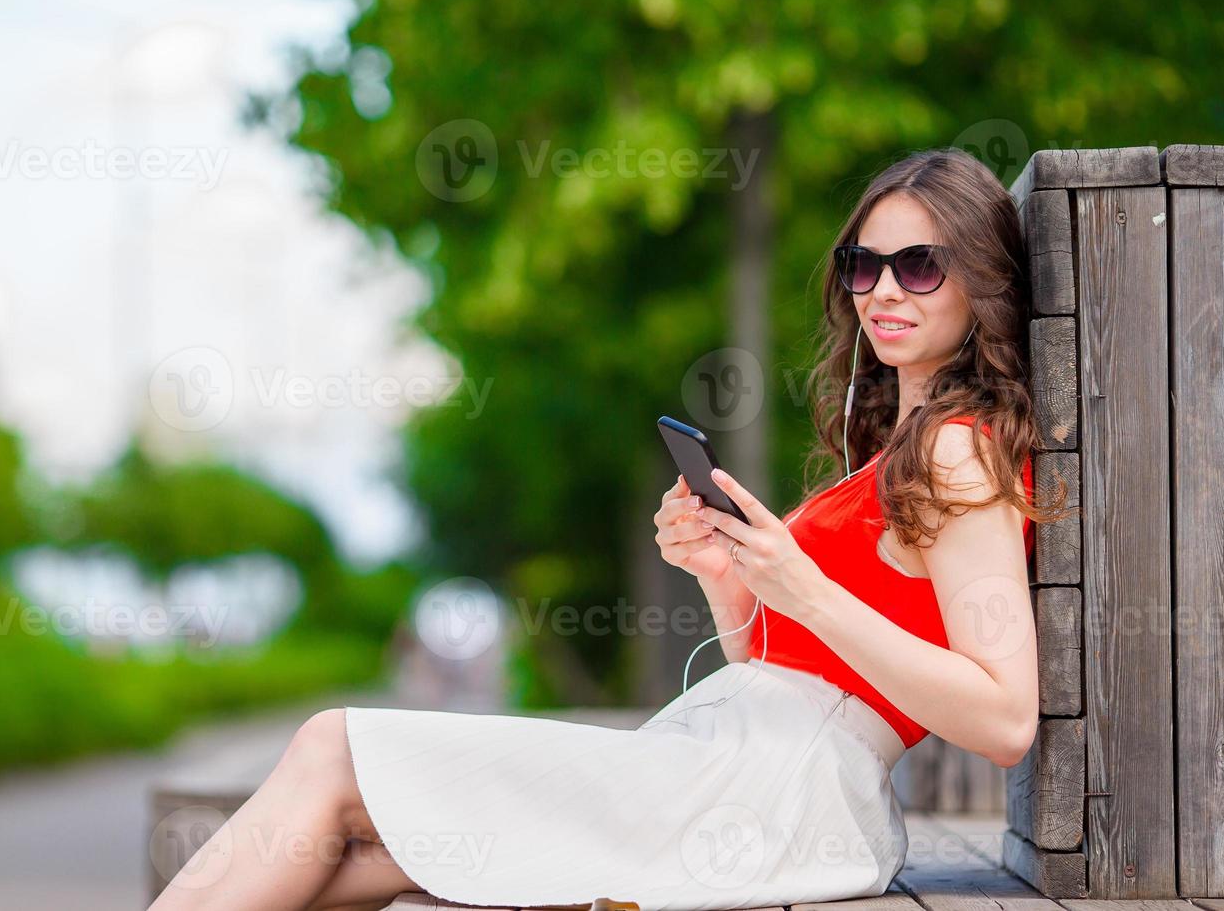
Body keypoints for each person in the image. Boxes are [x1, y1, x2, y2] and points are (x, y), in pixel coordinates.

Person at [148, 147, 1070, 911]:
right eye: (862, 265)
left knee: (332, 746)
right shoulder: (889, 452)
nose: (883, 291)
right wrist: (727, 576)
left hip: (769, 794)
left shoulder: (959, 454)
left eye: (920, 264)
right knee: (365, 846)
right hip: (738, 775)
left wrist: (808, 589)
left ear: (980, 280)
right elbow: (787, 665)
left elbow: (1002, 717)